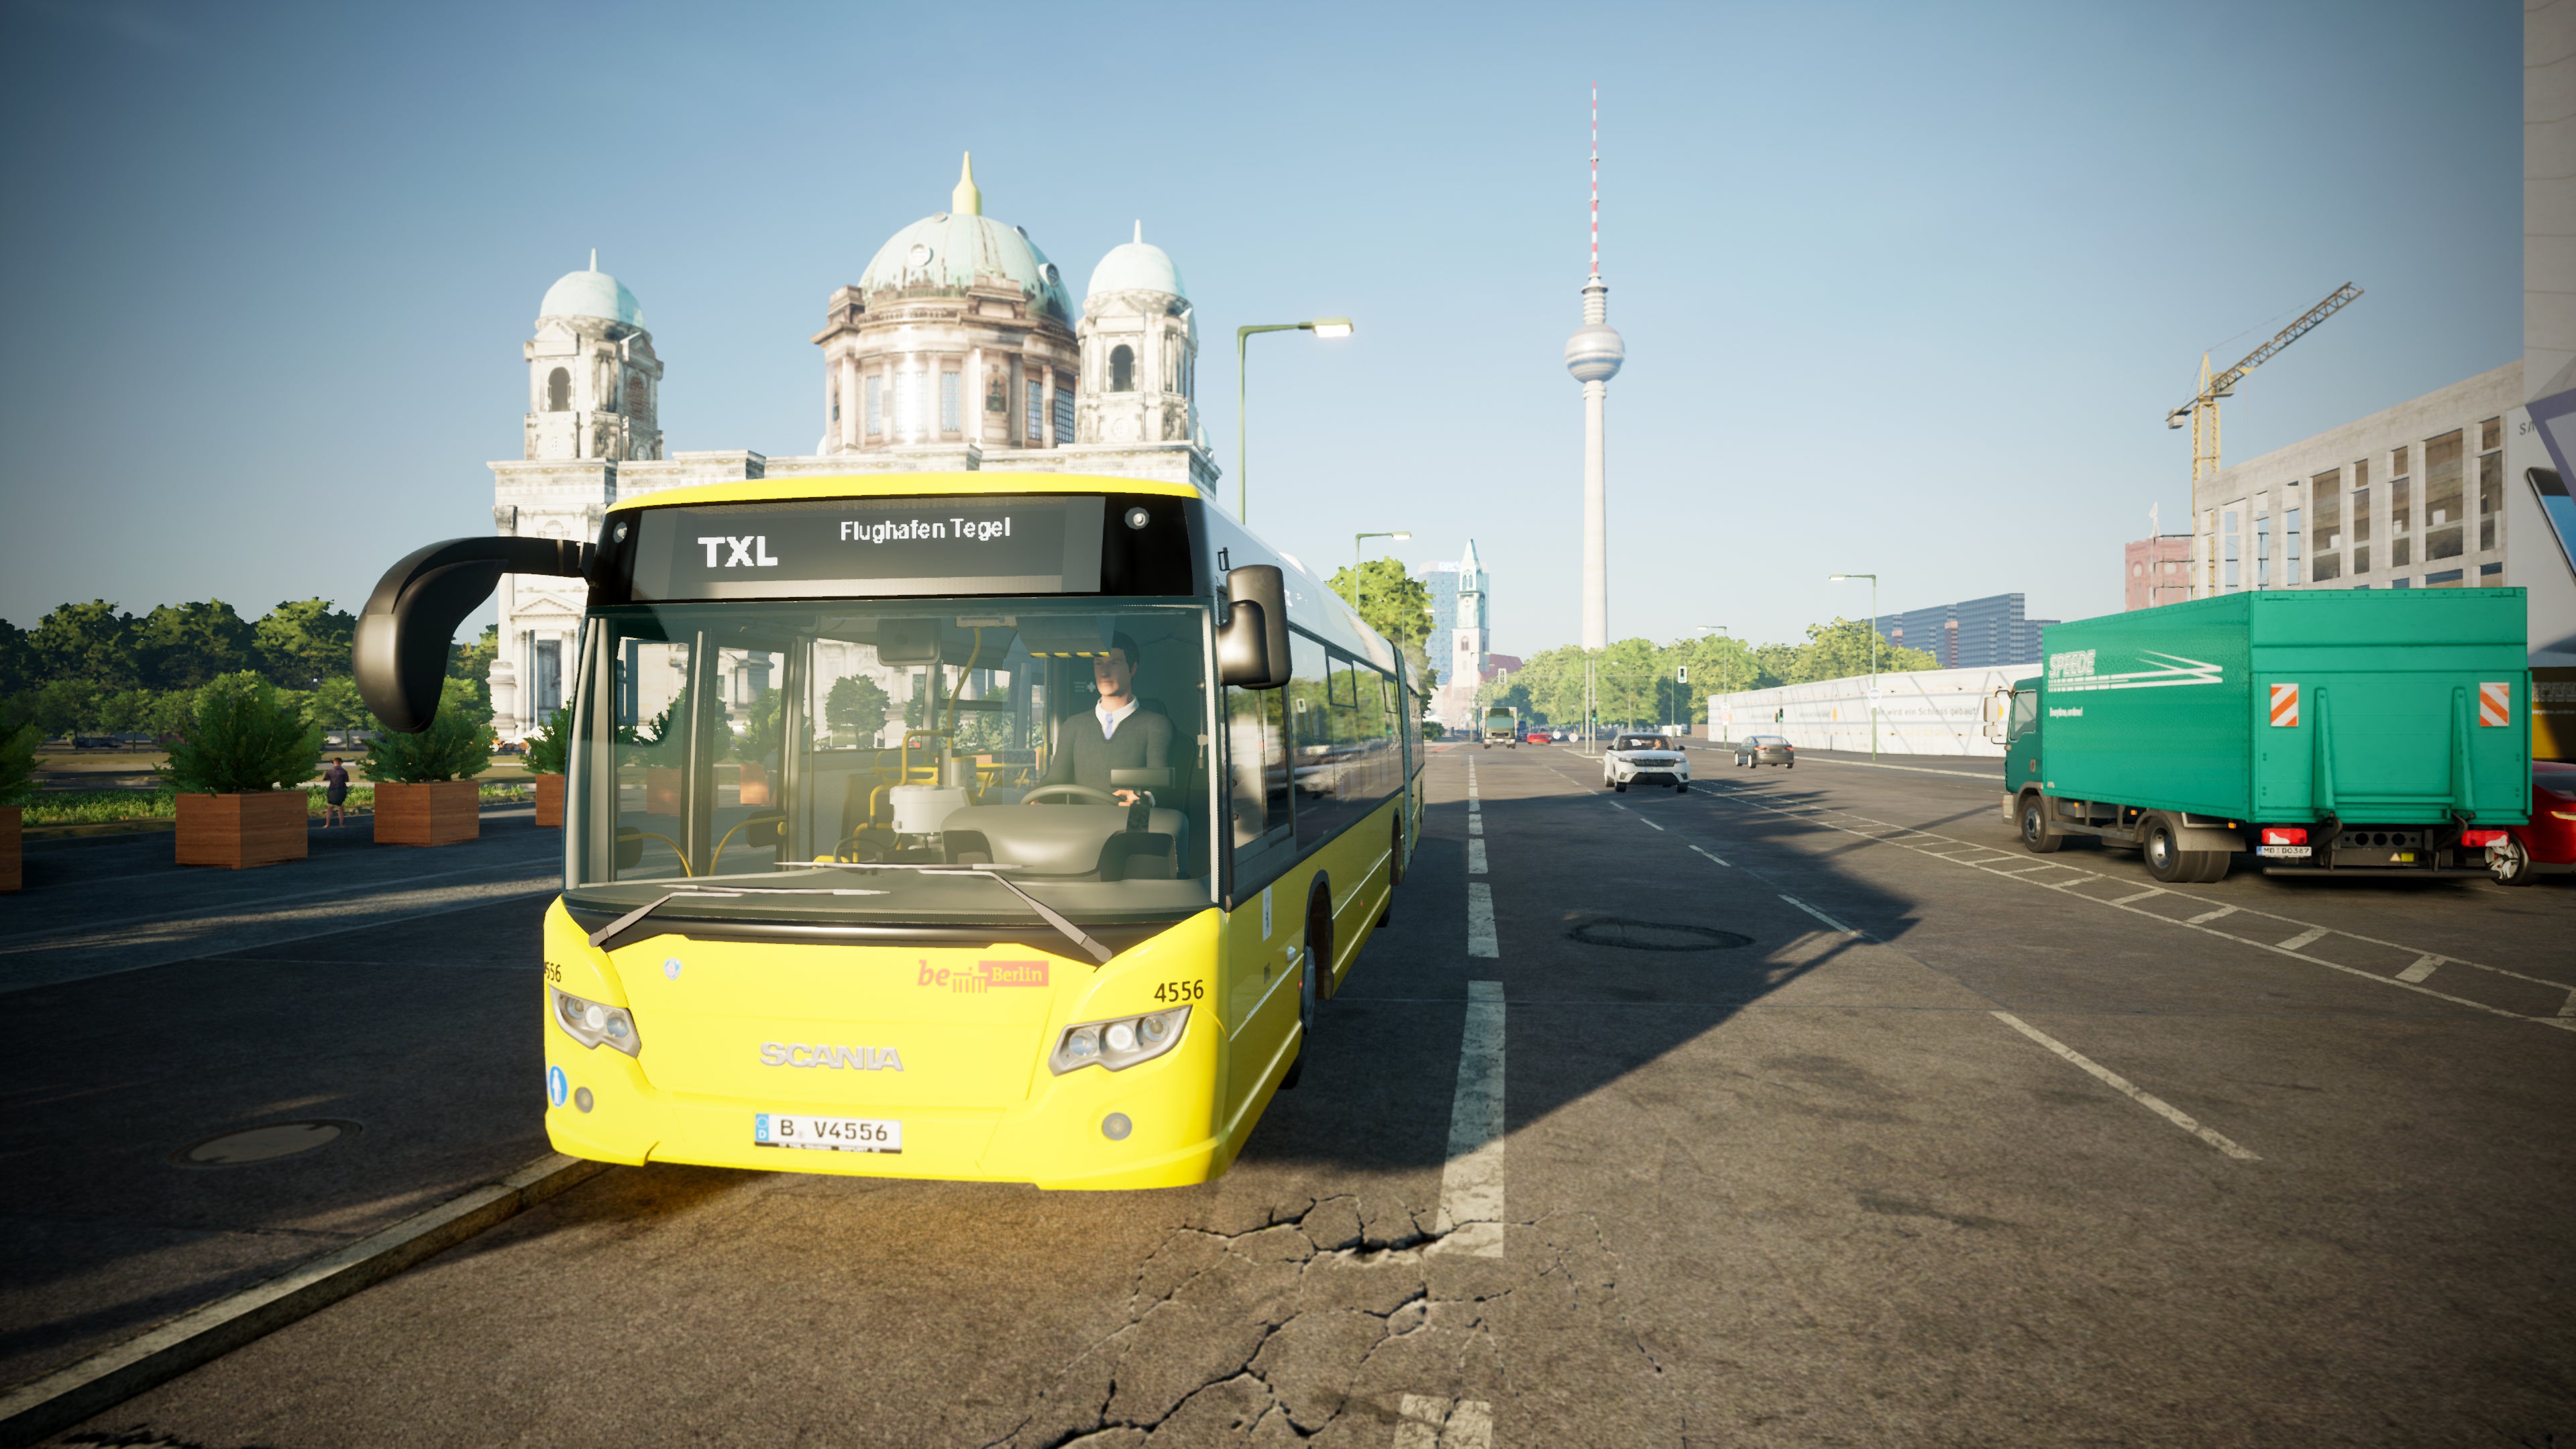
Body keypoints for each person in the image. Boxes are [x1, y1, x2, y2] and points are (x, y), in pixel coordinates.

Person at [1040, 633, 1171, 806]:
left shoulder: (1156, 725)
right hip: (1079, 827)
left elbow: (1159, 782)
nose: (1104, 672)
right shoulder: (1073, 726)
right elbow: (1054, 779)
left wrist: (1143, 799)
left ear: (1132, 669)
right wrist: (1038, 798)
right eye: (1098, 664)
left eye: (1114, 663)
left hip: (1131, 824)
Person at [323, 757, 350, 827]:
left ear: (334, 763)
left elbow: (325, 779)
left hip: (332, 790)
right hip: (341, 789)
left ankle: (327, 824)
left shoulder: (329, 771)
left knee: (330, 807)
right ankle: (341, 824)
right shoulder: (344, 771)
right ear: (341, 763)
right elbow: (347, 780)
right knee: (340, 808)